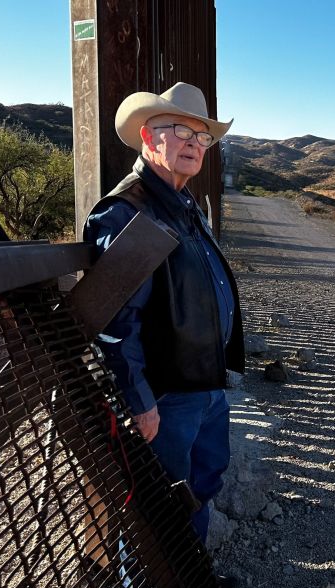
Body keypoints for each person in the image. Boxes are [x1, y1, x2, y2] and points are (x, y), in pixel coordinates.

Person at [83, 82, 243, 551]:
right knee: (157, 502)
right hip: (166, 395)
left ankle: (192, 587)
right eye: (181, 131)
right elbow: (114, 320)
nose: (195, 143)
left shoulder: (185, 204)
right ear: (148, 137)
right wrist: (138, 399)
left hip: (204, 384)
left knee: (200, 486)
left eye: (203, 136)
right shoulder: (127, 211)